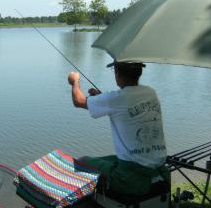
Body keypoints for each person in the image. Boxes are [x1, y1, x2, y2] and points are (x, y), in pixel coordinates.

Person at [67, 61, 169, 196]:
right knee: (106, 160)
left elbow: (78, 101)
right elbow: (124, 105)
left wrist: (75, 81)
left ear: (117, 73)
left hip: (131, 178)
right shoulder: (151, 93)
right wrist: (101, 98)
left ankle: (92, 202)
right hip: (158, 168)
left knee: (81, 162)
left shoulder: (116, 99)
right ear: (139, 73)